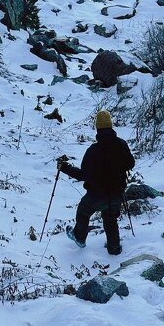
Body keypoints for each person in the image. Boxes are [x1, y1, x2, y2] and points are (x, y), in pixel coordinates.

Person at [58, 109, 135, 255]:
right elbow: (130, 163)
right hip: (117, 193)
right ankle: (114, 248)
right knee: (110, 219)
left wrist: (65, 168)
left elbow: (83, 175)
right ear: (111, 126)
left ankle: (79, 237)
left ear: (97, 128)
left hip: (97, 195)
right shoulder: (121, 144)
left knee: (83, 211)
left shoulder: (93, 151)